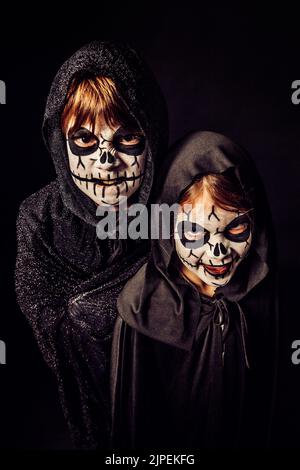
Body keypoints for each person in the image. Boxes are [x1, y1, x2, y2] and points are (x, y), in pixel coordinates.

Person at [15, 41, 168, 449]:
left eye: (128, 138)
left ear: (151, 136)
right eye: (84, 140)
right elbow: (49, 317)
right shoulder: (40, 219)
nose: (105, 162)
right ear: (58, 141)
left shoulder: (177, 205)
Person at [111, 131, 278, 449]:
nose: (218, 252)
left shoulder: (258, 298)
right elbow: (133, 429)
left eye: (237, 228)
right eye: (194, 232)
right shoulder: (141, 311)